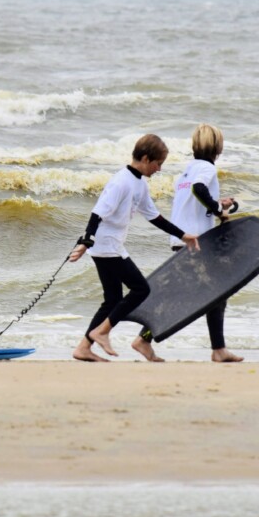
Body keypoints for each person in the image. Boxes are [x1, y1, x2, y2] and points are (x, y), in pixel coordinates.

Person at [69, 134, 200, 362]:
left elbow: (154, 217)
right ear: (146, 158)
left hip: (110, 246)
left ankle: (83, 348)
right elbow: (98, 212)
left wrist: (183, 235)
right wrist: (85, 241)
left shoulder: (139, 184)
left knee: (112, 300)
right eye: (158, 164)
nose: (159, 169)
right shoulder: (121, 182)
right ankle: (101, 332)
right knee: (141, 289)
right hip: (106, 245)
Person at [132, 123, 244, 363]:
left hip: (181, 239)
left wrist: (217, 203)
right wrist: (218, 210)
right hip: (196, 241)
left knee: (192, 292)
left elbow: (192, 197)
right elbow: (199, 189)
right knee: (210, 292)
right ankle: (145, 339)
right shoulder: (206, 170)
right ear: (218, 148)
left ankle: (217, 348)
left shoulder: (187, 170)